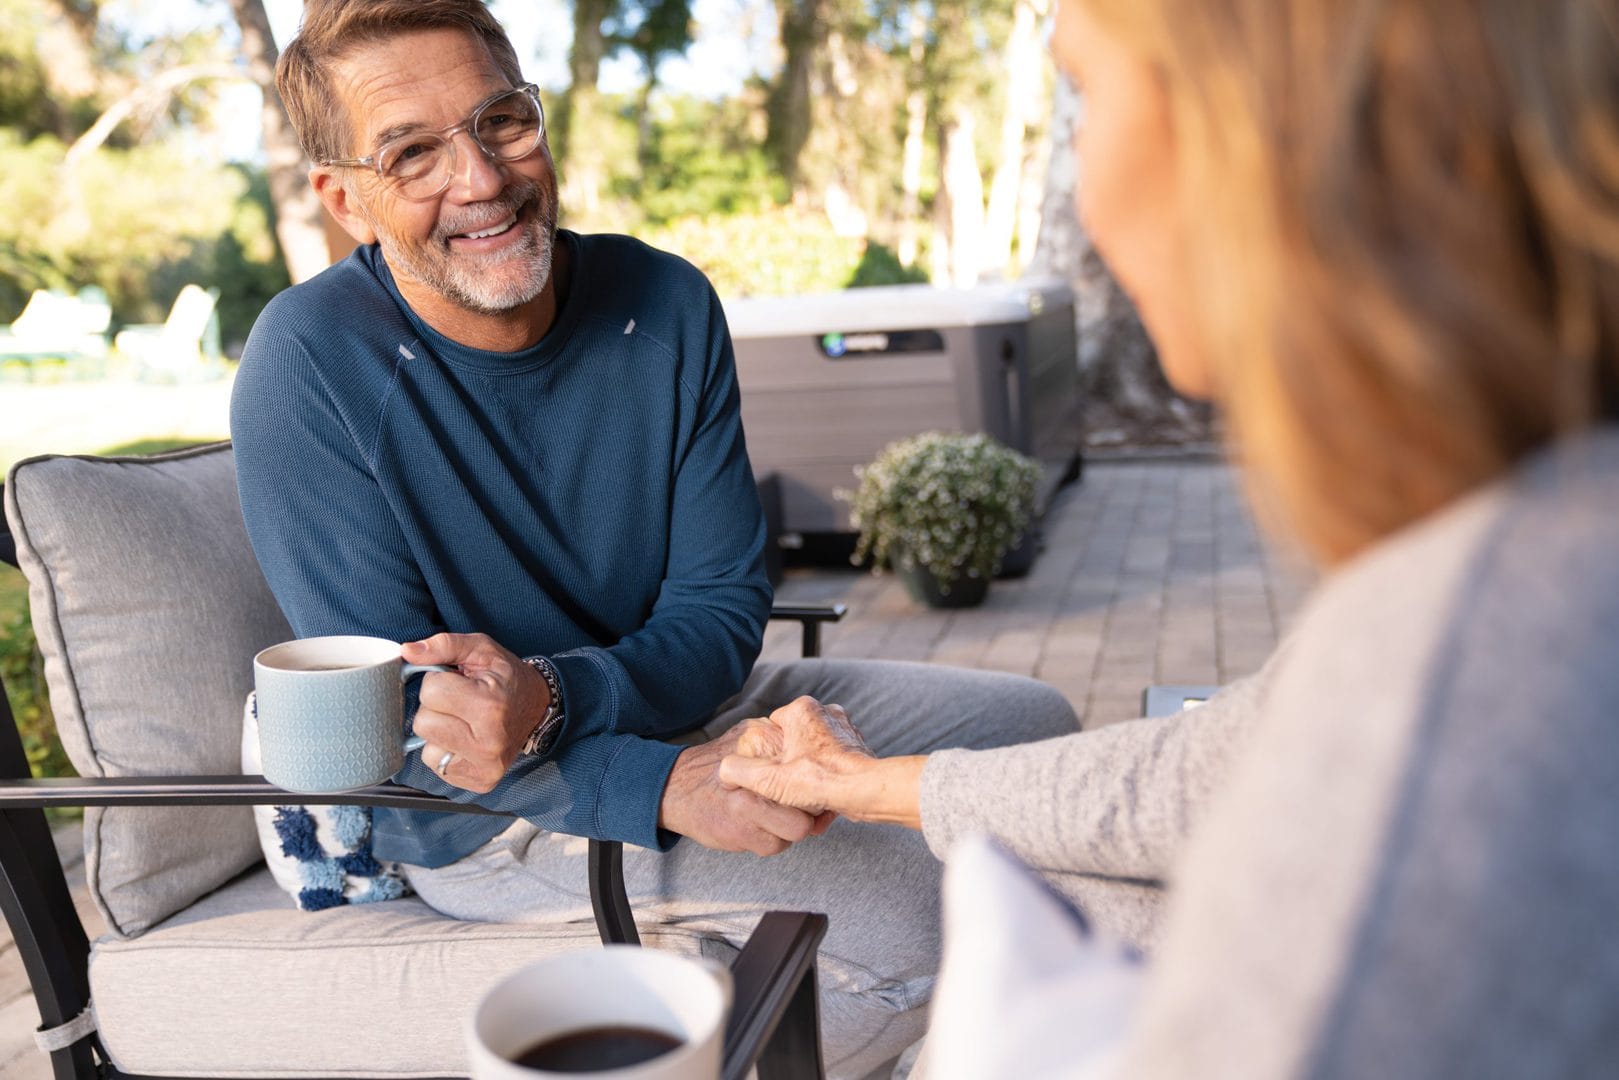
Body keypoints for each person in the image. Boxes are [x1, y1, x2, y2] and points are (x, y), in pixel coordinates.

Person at [720, 0, 1619, 1075]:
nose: (1090, 200)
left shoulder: (1468, 656)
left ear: (1256, 124)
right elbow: (1220, 768)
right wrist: (863, 784)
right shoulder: (1516, 541)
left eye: (1089, 93)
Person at [228, 1, 1078, 1075]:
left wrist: (560, 694)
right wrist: (662, 787)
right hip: (489, 815)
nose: (482, 180)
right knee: (923, 916)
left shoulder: (663, 302)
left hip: (687, 710)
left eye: (501, 121)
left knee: (1037, 733)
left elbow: (721, 609)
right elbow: (414, 726)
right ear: (345, 200)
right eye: (412, 154)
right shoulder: (306, 365)